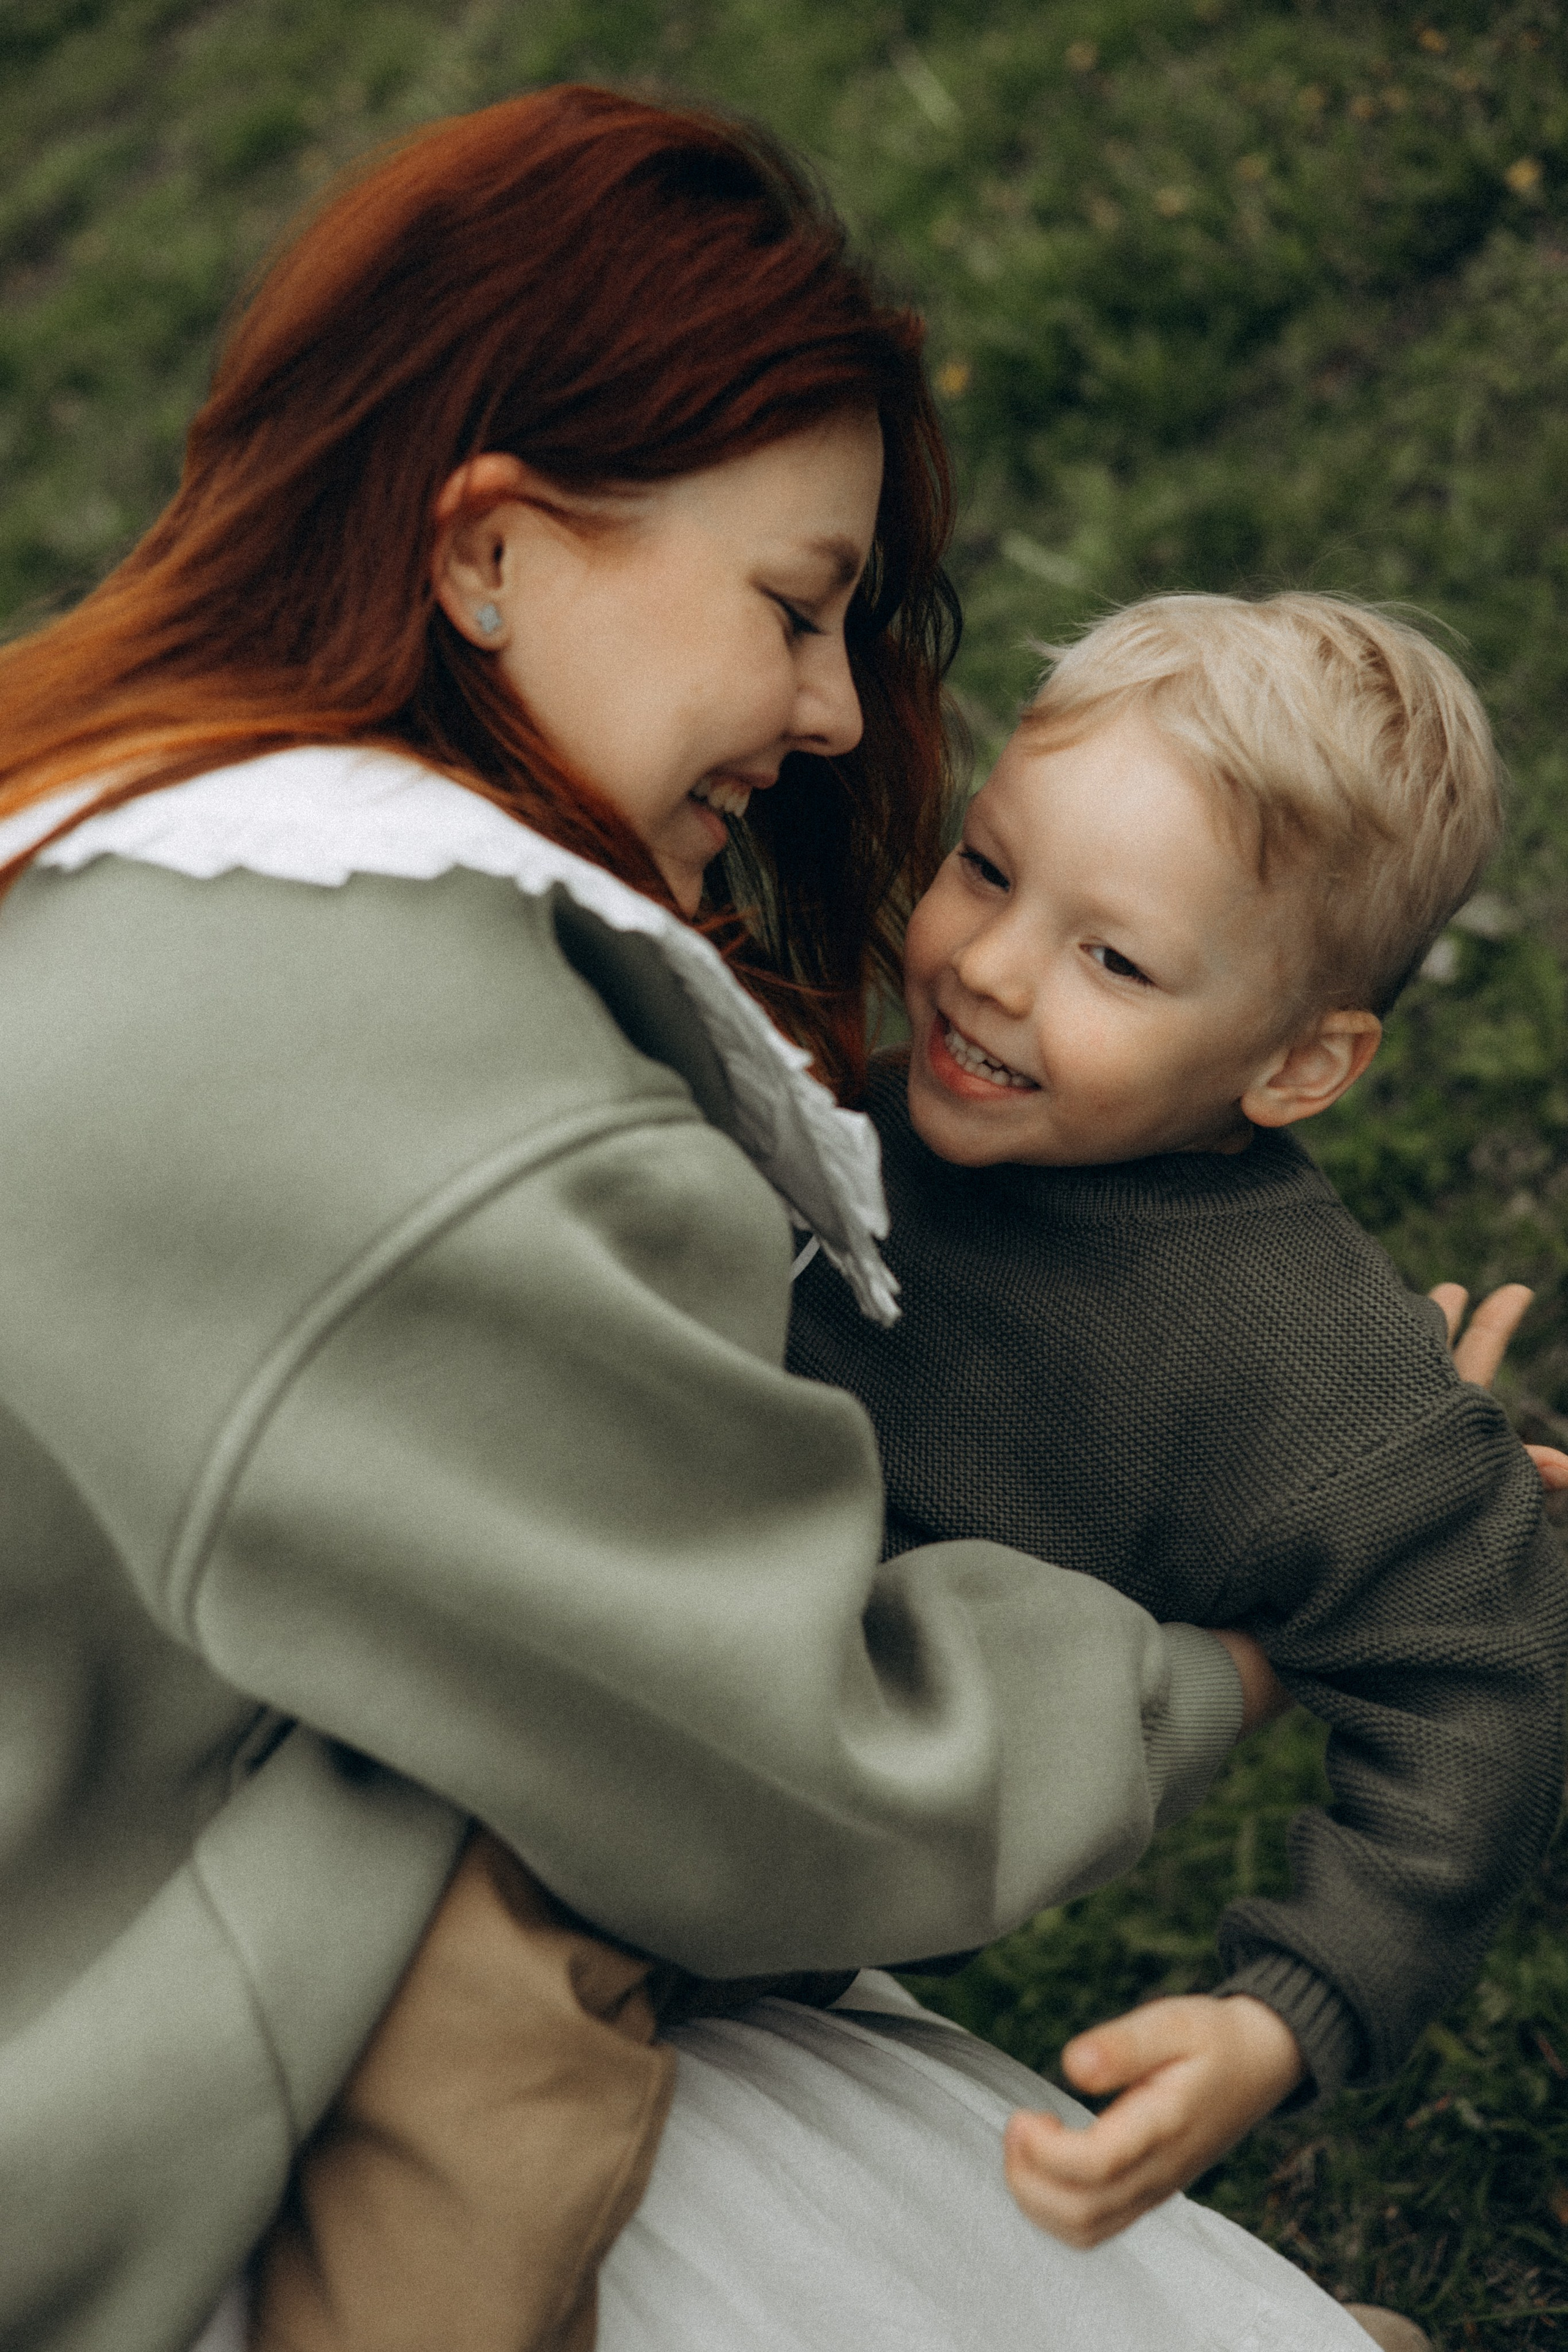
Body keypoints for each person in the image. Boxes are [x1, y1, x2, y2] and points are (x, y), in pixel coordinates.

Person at [0, 88, 1386, 2352]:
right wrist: (1209, 1655)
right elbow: (787, 1767)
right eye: (794, 609)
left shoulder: (114, 814)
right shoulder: (435, 1092)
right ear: (489, 551)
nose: (835, 714)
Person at [788, 590, 1568, 2262]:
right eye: (989, 868)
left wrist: (1285, 2012)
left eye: (1115, 959)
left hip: (786, 1848)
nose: (986, 967)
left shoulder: (1301, 1370)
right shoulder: (869, 1096)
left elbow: (1483, 1698)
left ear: (1299, 1066)